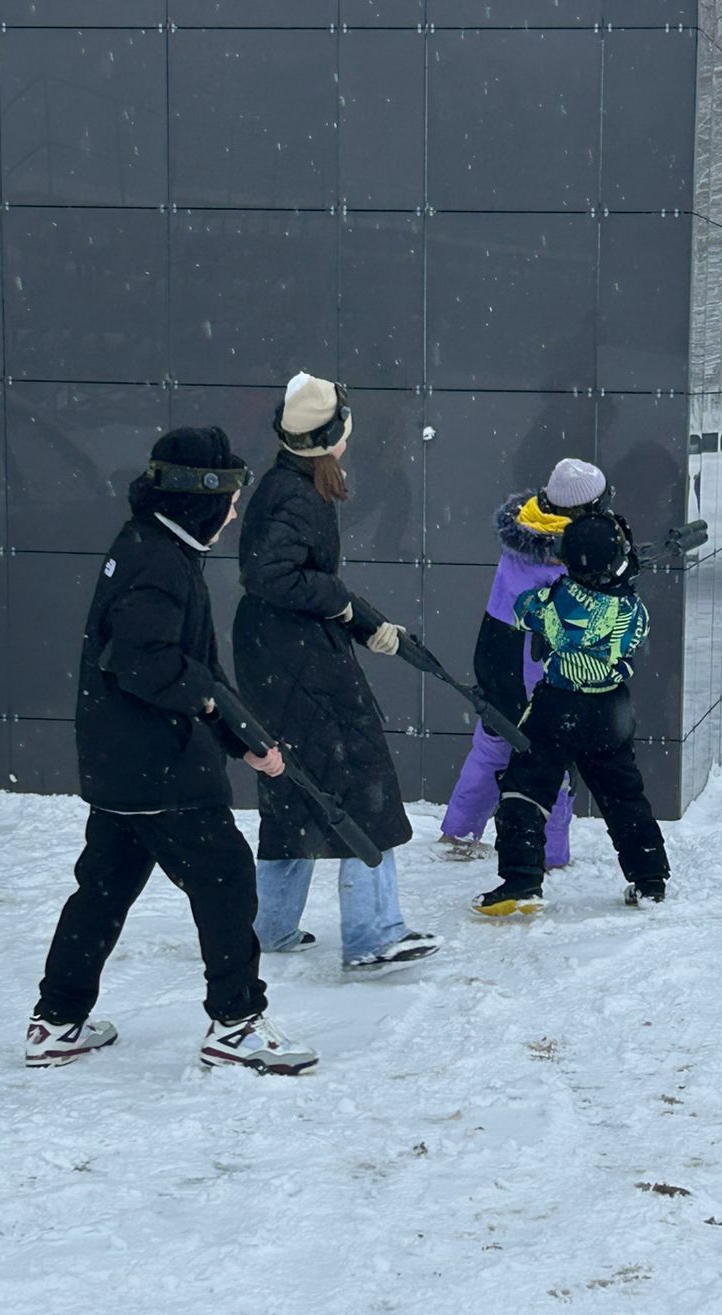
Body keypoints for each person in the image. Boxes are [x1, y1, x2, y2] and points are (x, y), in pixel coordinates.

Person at [26, 427, 319, 1077]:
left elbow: (188, 666)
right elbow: (146, 662)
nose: (237, 511)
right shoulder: (159, 561)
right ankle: (237, 1023)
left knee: (101, 891)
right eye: (232, 498)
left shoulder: (149, 546)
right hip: (161, 767)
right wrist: (214, 713)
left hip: (121, 764)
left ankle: (57, 1021)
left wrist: (242, 741)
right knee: (226, 878)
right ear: (201, 499)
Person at [233, 373, 438, 974]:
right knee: (361, 785)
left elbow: (292, 583)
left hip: (282, 654)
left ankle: (268, 929)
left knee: (294, 783)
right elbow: (272, 576)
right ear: (331, 438)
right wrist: (343, 606)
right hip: (298, 661)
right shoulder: (295, 494)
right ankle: (374, 936)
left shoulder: (291, 483)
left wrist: (361, 621)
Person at [472, 510, 671, 916]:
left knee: (526, 789)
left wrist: (555, 586)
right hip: (611, 710)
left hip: (559, 706)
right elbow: (636, 631)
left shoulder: (558, 601)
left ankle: (522, 880)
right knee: (623, 796)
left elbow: (525, 611)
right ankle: (649, 877)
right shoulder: (633, 610)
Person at [438, 459, 607, 865]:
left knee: (493, 740)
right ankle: (551, 852)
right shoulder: (562, 556)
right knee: (551, 750)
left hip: (496, 650)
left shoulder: (528, 527)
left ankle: (460, 829)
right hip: (532, 661)